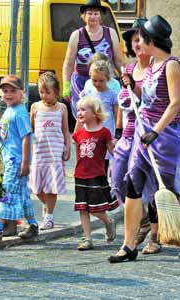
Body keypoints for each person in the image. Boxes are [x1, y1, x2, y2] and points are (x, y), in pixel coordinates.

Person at [109, 15, 180, 263]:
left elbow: (175, 103)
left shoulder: (171, 65)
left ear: (151, 40)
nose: (138, 45)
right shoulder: (153, 65)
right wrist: (133, 86)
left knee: (167, 188)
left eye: (141, 39)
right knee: (134, 185)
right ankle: (128, 245)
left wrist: (155, 131)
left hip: (164, 136)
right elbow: (146, 98)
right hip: (143, 133)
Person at [110, 18, 159, 254]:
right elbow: (123, 104)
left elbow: (152, 102)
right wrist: (118, 132)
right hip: (129, 135)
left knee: (149, 187)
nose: (137, 44)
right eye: (133, 40)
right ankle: (142, 222)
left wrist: (136, 89)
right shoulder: (128, 69)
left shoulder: (156, 69)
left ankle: (154, 236)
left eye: (140, 39)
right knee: (118, 181)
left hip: (147, 137)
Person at [0, 75, 39, 241]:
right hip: (9, 160)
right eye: (5, 91)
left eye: (13, 91)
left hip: (16, 161)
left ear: (22, 92)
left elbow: (26, 138)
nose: (8, 94)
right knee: (21, 194)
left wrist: (24, 162)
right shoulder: (9, 110)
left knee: (6, 193)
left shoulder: (20, 113)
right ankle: (33, 225)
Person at [62, 0, 124, 122]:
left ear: (101, 16)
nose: (93, 16)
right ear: (83, 16)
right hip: (81, 81)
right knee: (84, 117)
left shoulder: (110, 33)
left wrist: (127, 80)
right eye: (89, 13)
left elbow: (119, 61)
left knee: (105, 116)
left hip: (105, 81)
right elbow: (68, 63)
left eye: (96, 13)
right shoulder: (76, 35)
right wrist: (66, 86)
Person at [73, 96, 118, 251]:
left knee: (96, 208)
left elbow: (113, 152)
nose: (79, 112)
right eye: (78, 109)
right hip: (80, 175)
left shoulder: (104, 133)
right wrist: (78, 124)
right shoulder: (79, 133)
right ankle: (88, 238)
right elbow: (75, 145)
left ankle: (108, 222)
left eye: (83, 109)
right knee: (82, 208)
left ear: (95, 113)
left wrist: (118, 149)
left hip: (96, 175)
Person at [29, 72, 71, 230]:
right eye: (41, 92)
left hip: (55, 152)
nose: (44, 95)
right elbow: (32, 128)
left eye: (48, 92)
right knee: (36, 186)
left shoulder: (61, 108)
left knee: (52, 186)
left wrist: (68, 148)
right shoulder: (35, 107)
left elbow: (66, 130)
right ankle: (47, 206)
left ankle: (49, 216)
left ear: (56, 92)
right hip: (39, 152)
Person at [78, 60, 118, 175]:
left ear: (108, 79)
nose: (98, 83)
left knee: (103, 164)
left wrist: (118, 135)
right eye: (94, 80)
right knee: (89, 160)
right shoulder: (87, 93)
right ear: (90, 77)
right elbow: (80, 114)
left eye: (101, 80)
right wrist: (78, 130)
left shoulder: (112, 96)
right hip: (89, 134)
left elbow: (117, 116)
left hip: (105, 135)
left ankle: (102, 187)